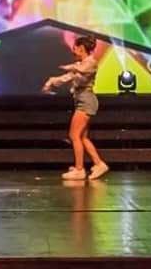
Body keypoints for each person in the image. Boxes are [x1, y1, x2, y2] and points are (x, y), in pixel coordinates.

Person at [42, 34, 109, 180]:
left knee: (74, 135)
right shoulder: (81, 64)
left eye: (75, 48)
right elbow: (67, 77)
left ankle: (79, 169)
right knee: (82, 137)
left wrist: (69, 67)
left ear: (81, 48)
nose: (73, 51)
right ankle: (99, 164)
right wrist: (51, 81)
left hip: (86, 101)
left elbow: (81, 70)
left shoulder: (90, 62)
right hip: (81, 100)